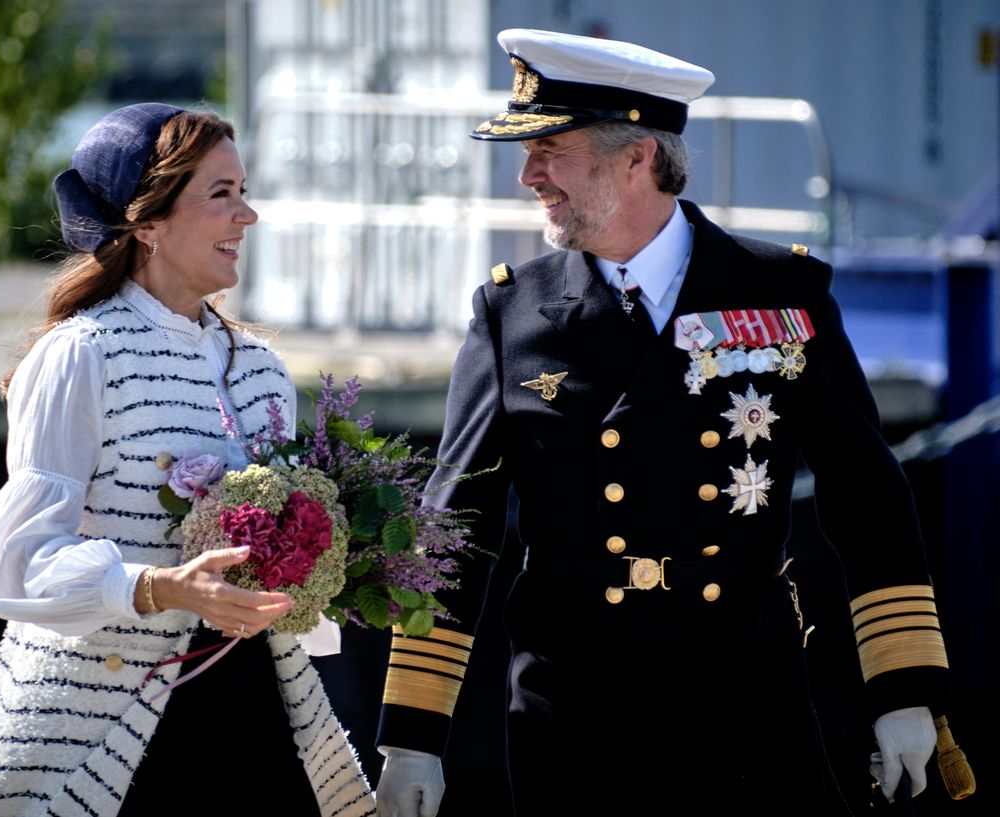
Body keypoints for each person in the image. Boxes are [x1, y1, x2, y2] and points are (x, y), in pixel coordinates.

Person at [374, 30, 950, 816]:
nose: (527, 176)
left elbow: (869, 497)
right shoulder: (511, 311)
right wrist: (413, 733)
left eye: (549, 148)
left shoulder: (781, 291)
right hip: (575, 719)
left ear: (638, 156)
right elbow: (456, 524)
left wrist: (904, 690)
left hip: (749, 705)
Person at [0, 104, 375, 817]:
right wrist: (160, 587)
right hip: (102, 731)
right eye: (221, 194)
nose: (248, 216)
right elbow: (12, 565)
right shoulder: (80, 354)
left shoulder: (264, 369)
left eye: (244, 191)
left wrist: (329, 560)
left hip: (255, 718)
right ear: (146, 222)